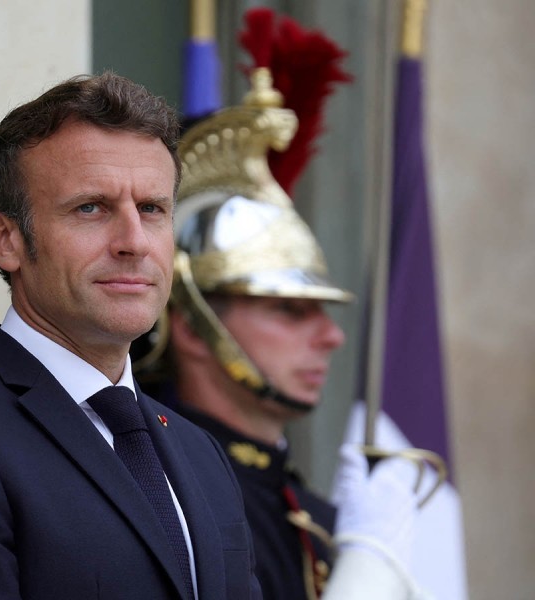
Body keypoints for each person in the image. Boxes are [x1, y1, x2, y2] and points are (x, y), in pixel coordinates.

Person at [0, 72, 262, 599]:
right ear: (6, 239)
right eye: (91, 208)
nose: (134, 241)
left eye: (151, 209)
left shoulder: (199, 451)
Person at [134, 67, 430, 600]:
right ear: (194, 328)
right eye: (291, 311)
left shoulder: (314, 516)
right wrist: (369, 572)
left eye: (322, 311)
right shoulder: (164, 501)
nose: (331, 337)